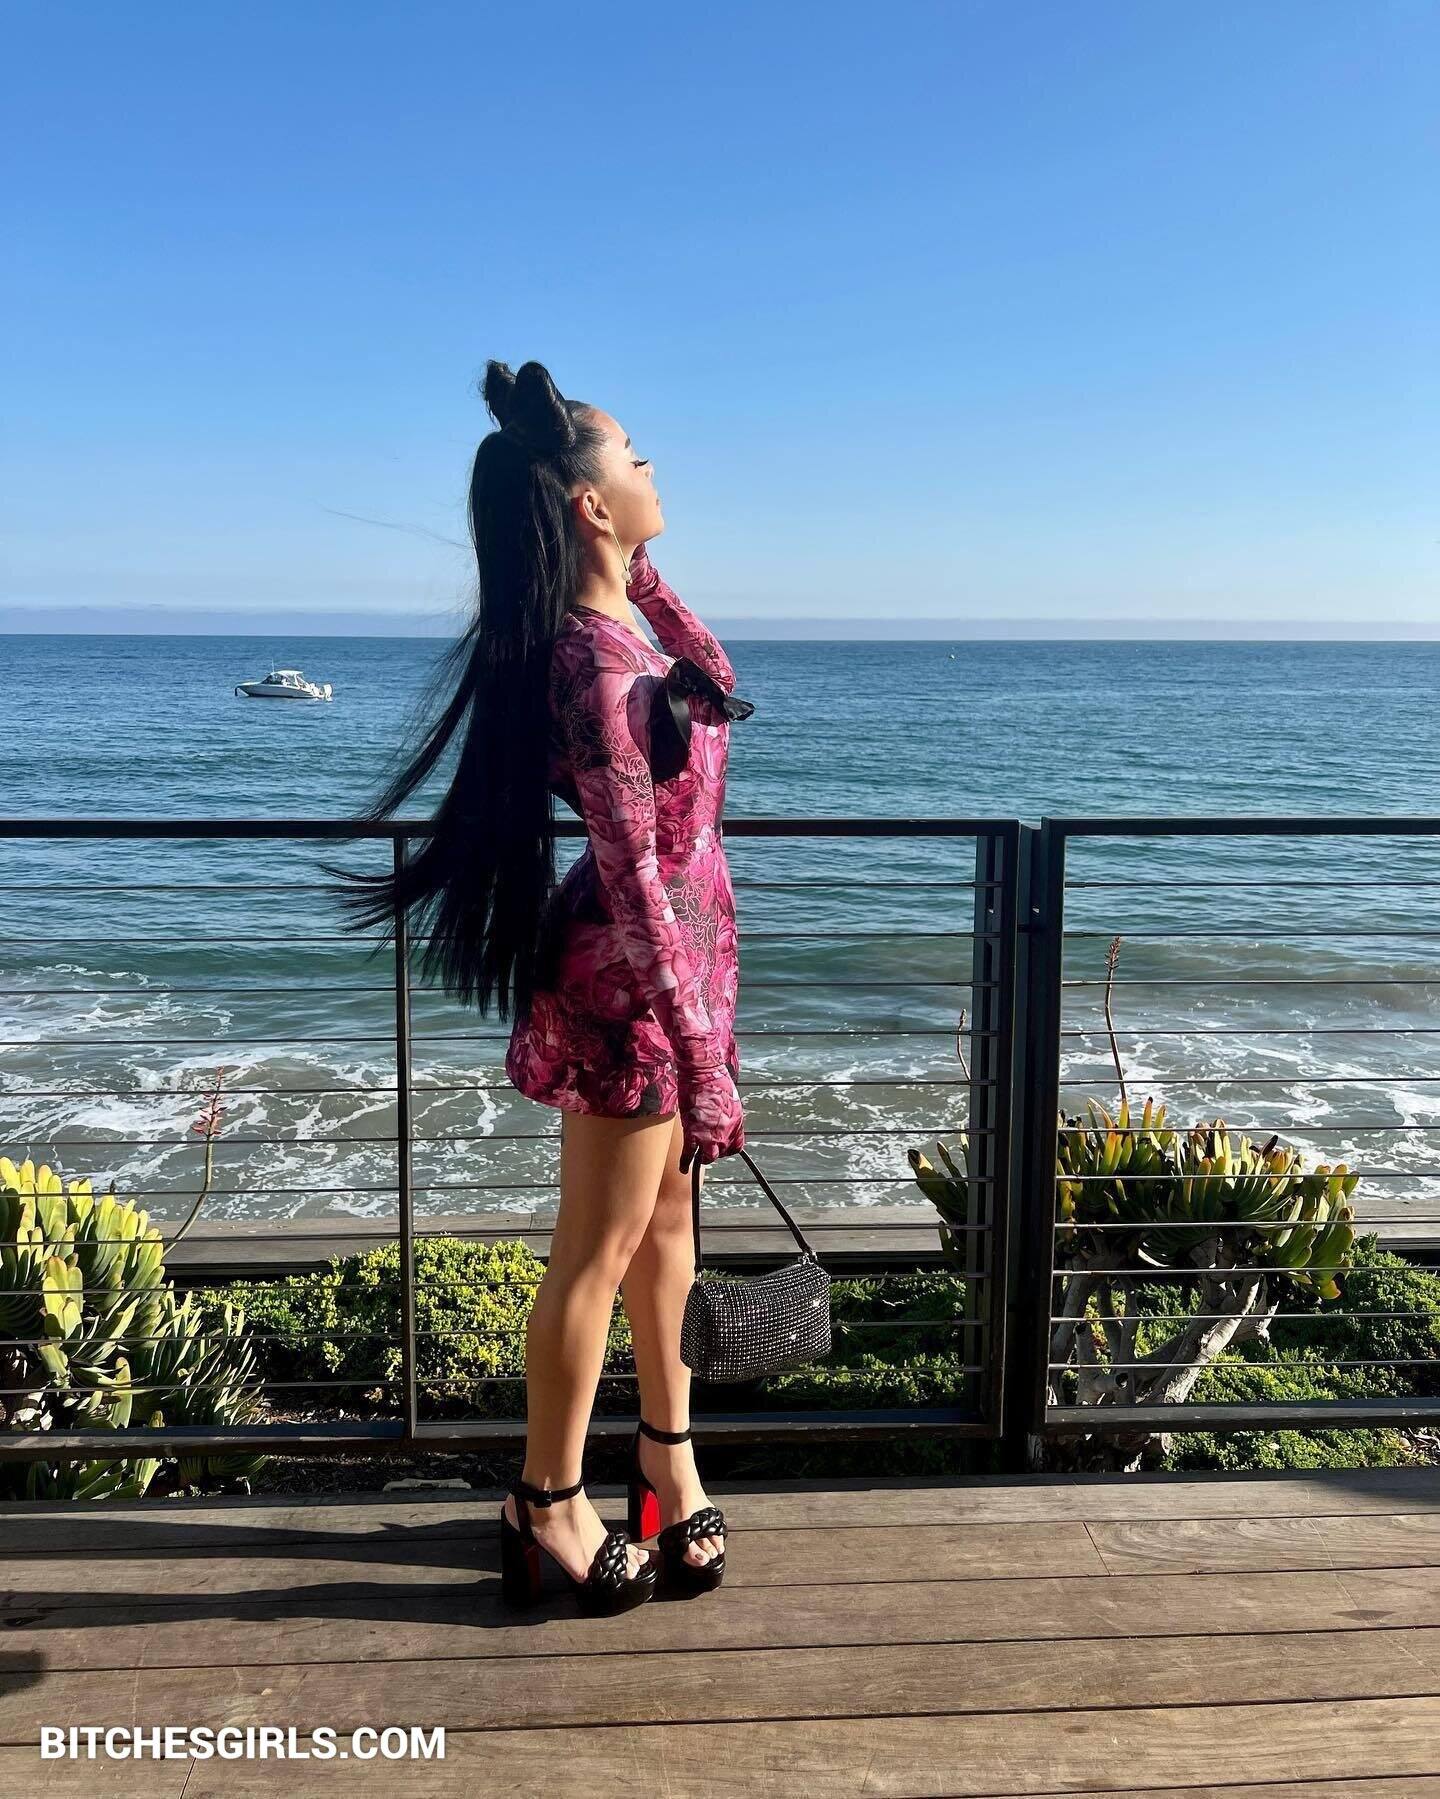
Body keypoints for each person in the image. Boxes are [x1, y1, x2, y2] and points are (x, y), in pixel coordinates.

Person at [326, 359, 750, 1616]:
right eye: (634, 455)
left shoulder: (621, 634)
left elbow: (718, 682)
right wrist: (699, 1053)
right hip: (634, 988)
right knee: (597, 1251)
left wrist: (633, 568)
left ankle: (666, 1459)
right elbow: (630, 874)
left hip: (678, 974)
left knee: (666, 1235)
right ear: (587, 502)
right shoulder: (592, 667)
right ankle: (547, 1500)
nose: (653, 464)